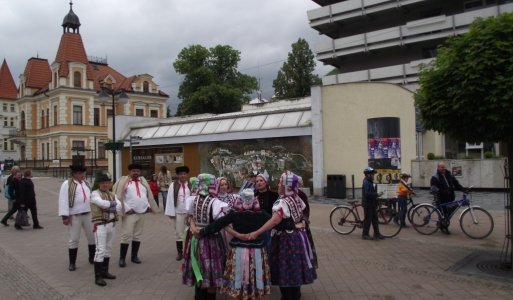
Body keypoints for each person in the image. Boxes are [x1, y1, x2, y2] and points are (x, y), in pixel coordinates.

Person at [247, 171, 317, 300]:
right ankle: (295, 296)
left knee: (285, 269)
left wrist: (256, 232)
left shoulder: (283, 202)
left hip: (286, 240)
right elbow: (301, 217)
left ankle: (288, 297)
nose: (278, 184)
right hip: (298, 238)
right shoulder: (296, 198)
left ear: (286, 185)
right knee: (293, 270)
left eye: (280, 182)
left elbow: (274, 221)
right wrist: (296, 224)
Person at [195, 188, 271, 300]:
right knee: (256, 274)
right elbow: (275, 222)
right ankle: (255, 294)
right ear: (255, 199)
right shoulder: (262, 214)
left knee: (239, 277)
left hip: (239, 250)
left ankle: (241, 294)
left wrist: (202, 232)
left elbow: (218, 224)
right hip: (257, 251)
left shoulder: (234, 214)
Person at [182, 173, 228, 300]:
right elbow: (221, 223)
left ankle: (199, 296)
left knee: (200, 269)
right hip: (211, 241)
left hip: (196, 240)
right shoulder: (216, 202)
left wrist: (193, 226)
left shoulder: (193, 199)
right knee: (211, 273)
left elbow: (189, 216)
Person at [113, 163, 160, 268]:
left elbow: (146, 195)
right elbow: (117, 196)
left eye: (138, 171)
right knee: (126, 235)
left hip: (142, 213)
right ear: (129, 172)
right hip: (130, 214)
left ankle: (134, 256)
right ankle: (122, 258)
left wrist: (148, 206)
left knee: (137, 235)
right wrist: (127, 209)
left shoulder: (143, 182)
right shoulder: (124, 182)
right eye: (133, 171)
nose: (136, 173)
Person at [58, 164, 96, 271]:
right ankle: (72, 263)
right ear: (74, 174)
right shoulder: (67, 184)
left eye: (82, 173)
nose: (81, 175)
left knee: (92, 236)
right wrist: (65, 216)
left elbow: (92, 197)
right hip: (75, 216)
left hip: (88, 214)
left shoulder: (87, 183)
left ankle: (92, 258)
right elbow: (63, 200)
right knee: (74, 239)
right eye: (79, 173)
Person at [90, 171, 122, 286]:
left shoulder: (112, 194)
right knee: (100, 250)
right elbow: (101, 204)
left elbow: (119, 206)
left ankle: (104, 272)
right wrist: (112, 204)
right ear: (98, 183)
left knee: (108, 248)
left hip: (111, 224)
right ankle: (97, 277)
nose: (105, 185)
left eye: (107, 182)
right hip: (100, 225)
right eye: (102, 182)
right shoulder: (94, 193)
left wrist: (110, 205)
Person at [430, 161, 465, 234]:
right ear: (438, 167)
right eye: (442, 167)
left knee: (449, 213)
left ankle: (441, 224)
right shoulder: (435, 177)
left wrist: (463, 189)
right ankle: (443, 227)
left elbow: (456, 184)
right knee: (443, 214)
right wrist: (443, 191)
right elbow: (433, 189)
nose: (443, 168)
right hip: (440, 198)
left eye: (444, 167)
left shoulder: (449, 175)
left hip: (450, 197)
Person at [165, 165, 191, 261]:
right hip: (178, 212)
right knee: (179, 233)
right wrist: (171, 213)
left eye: (184, 174)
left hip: (189, 214)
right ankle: (180, 253)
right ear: (178, 175)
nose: (183, 176)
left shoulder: (191, 184)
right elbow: (170, 199)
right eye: (181, 174)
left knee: (189, 232)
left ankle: (188, 251)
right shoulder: (173, 185)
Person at [362, 167, 385, 241]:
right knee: (368, 220)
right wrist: (376, 194)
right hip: (368, 204)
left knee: (375, 219)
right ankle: (365, 235)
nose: (373, 175)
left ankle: (377, 234)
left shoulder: (369, 181)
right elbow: (367, 194)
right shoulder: (366, 182)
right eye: (372, 174)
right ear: (368, 174)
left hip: (372, 203)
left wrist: (376, 197)